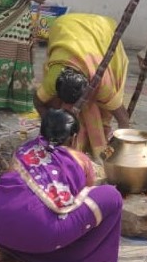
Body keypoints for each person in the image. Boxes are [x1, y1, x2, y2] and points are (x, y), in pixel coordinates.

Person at [0, 109, 123, 262]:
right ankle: (71, 258)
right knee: (112, 196)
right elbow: (82, 196)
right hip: (42, 236)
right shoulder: (80, 159)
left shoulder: (23, 150)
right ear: (74, 138)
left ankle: (11, 249)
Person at [34, 13, 131, 157]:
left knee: (98, 110)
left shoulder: (103, 84)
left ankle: (94, 142)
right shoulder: (53, 80)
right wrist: (53, 125)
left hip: (102, 30)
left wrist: (113, 148)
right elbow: (38, 102)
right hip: (65, 25)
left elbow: (124, 121)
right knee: (53, 103)